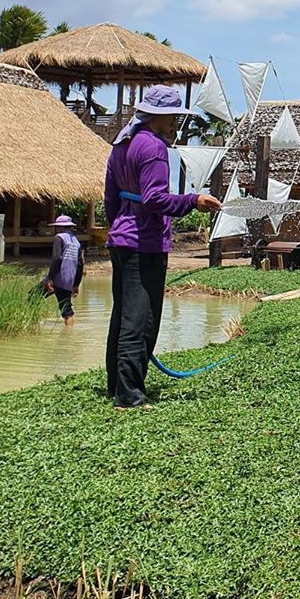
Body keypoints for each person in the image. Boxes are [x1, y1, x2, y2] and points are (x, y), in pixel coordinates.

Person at [104, 85, 221, 409]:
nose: (176, 126)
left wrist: (119, 228)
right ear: (160, 117)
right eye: (173, 120)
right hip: (145, 244)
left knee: (123, 316)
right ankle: (129, 396)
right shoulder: (153, 147)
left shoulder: (121, 144)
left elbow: (110, 199)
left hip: (122, 240)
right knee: (140, 320)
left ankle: (116, 385)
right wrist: (193, 201)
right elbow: (155, 198)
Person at [44, 215, 85, 325]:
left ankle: (68, 333)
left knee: (33, 296)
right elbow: (80, 264)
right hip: (69, 280)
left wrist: (50, 278)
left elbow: (57, 258)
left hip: (59, 278)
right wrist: (76, 284)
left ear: (59, 227)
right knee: (66, 306)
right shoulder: (76, 241)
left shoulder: (59, 237)